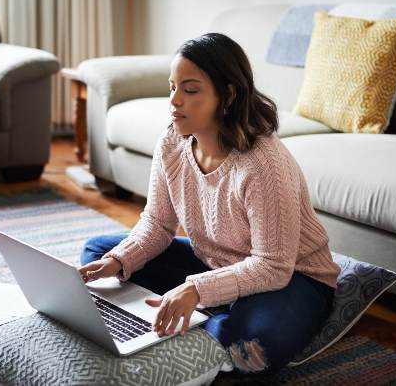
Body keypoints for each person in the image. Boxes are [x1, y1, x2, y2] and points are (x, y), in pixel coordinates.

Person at [78, 32, 340, 374]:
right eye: (172, 87)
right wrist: (121, 259)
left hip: (293, 276)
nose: (174, 101)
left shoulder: (263, 164)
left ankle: (201, 318)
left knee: (254, 350)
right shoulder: (172, 141)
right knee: (100, 254)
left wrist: (195, 289)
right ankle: (208, 315)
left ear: (228, 95)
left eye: (190, 90)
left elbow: (274, 266)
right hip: (215, 263)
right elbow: (158, 224)